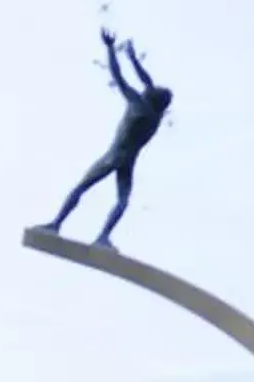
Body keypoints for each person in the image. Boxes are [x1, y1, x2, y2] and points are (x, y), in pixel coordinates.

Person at [45, 26, 173, 248]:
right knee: (122, 200)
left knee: (81, 187)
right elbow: (148, 81)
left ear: (149, 98)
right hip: (129, 160)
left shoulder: (139, 106)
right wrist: (132, 57)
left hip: (114, 156)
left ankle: (56, 224)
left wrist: (111, 49)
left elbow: (118, 77)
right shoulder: (156, 114)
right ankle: (103, 236)